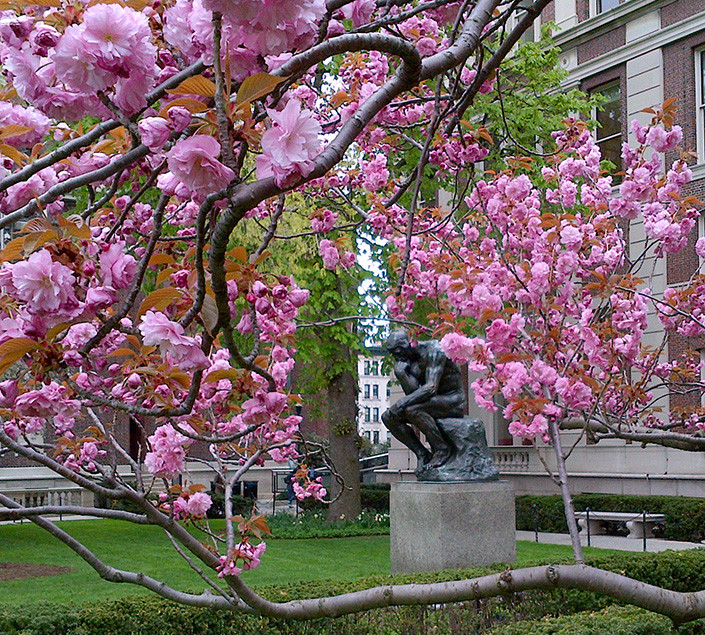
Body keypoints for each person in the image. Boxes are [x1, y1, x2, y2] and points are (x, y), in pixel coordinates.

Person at [382, 330, 465, 473]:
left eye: (398, 352)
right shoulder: (409, 362)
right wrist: (402, 375)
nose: (396, 357)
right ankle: (422, 453)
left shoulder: (435, 351)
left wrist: (402, 403)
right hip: (431, 402)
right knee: (388, 417)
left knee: (411, 409)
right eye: (393, 354)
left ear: (409, 344)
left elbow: (431, 387)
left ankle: (441, 449)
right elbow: (414, 393)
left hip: (453, 399)